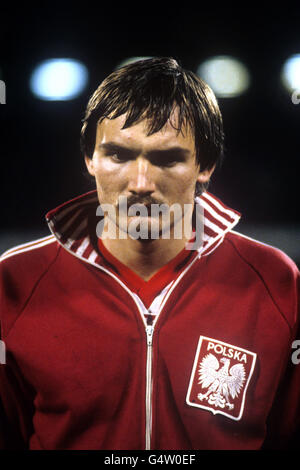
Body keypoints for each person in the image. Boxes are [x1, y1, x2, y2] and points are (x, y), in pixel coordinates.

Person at [0, 57, 299, 450]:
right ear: (90, 159)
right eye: (119, 155)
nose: (141, 183)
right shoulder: (15, 284)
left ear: (205, 165)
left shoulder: (275, 283)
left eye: (167, 158)